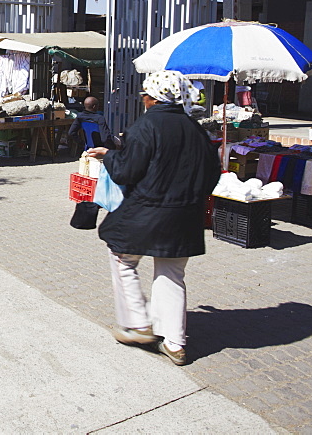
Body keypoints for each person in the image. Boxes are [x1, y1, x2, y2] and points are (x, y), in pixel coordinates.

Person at [84, 70, 220, 367]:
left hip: (148, 213)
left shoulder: (146, 126)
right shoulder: (196, 130)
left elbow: (126, 172)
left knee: (122, 258)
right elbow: (212, 175)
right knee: (172, 273)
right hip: (186, 216)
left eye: (144, 94)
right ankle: (175, 343)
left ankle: (138, 323)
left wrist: (109, 156)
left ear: (152, 98)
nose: (142, 99)